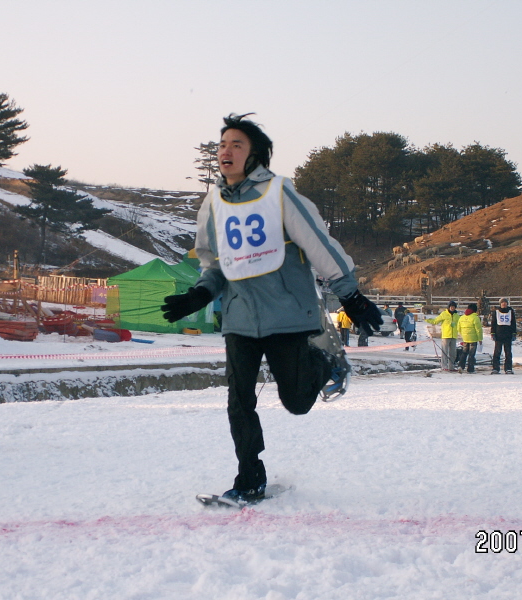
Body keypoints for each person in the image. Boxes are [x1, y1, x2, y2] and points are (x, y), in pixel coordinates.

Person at [161, 114, 382, 503]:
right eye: (223, 145)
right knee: (238, 402)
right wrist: (199, 295)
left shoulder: (278, 193)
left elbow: (319, 244)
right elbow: (214, 264)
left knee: (297, 403)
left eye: (237, 145)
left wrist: (351, 294)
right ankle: (249, 479)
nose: (226, 151)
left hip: (288, 316)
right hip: (240, 319)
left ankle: (322, 362)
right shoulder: (212, 205)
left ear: (256, 156)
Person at [427, 301, 460, 371]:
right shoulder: (444, 314)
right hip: (446, 335)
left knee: (453, 353)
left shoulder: (457, 316)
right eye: (451, 307)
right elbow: (436, 321)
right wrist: (427, 320)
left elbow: (460, 324)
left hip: (454, 336)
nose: (452, 308)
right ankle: (444, 366)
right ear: (449, 307)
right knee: (445, 351)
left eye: (453, 307)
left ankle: (451, 367)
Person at [490, 298, 516, 374]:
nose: (504, 304)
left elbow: (513, 322)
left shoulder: (511, 312)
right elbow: (493, 323)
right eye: (502, 303)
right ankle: (496, 368)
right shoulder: (496, 312)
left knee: (508, 352)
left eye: (505, 303)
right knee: (497, 352)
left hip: (508, 335)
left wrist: (514, 333)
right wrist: (493, 333)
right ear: (500, 304)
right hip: (499, 335)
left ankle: (508, 368)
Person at [457, 303, 483, 373]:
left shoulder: (462, 317)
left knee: (464, 353)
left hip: (465, 338)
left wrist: (463, 335)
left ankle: (460, 366)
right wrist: (480, 339)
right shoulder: (475, 318)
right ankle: (470, 368)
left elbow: (458, 328)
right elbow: (478, 329)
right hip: (473, 339)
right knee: (471, 354)